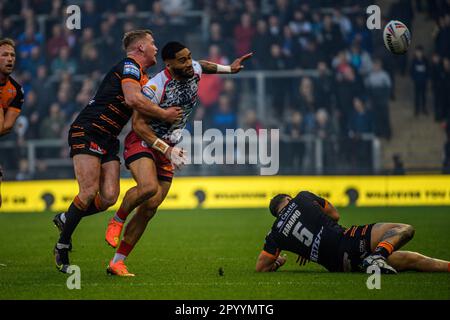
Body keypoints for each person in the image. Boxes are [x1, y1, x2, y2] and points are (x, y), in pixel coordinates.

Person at [104, 41, 252, 276]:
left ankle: (117, 262)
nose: (188, 63)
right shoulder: (155, 86)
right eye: (182, 60)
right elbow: (139, 126)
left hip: (168, 146)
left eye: (189, 57)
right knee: (148, 188)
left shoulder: (193, 68)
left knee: (150, 209)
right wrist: (167, 150)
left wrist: (228, 70)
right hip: (143, 141)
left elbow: (203, 65)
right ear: (169, 64)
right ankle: (117, 220)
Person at [52, 30, 183, 273]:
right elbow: (133, 99)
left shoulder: (144, 77)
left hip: (109, 138)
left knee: (109, 197)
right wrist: (164, 114)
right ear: (141, 47)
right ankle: (62, 244)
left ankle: (65, 219)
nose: (156, 48)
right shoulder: (129, 66)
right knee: (89, 192)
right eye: (153, 44)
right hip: (89, 129)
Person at [256, 191, 450, 273]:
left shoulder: (275, 234)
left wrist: (281, 260)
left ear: (276, 214)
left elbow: (261, 267)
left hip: (342, 265)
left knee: (411, 260)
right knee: (403, 229)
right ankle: (378, 256)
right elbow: (335, 214)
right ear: (288, 199)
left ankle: (377, 258)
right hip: (348, 242)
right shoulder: (302, 197)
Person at [0, 38, 24, 208]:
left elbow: (5, 127)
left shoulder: (16, 90)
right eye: (5, 55)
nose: (10, 59)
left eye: (12, 55)